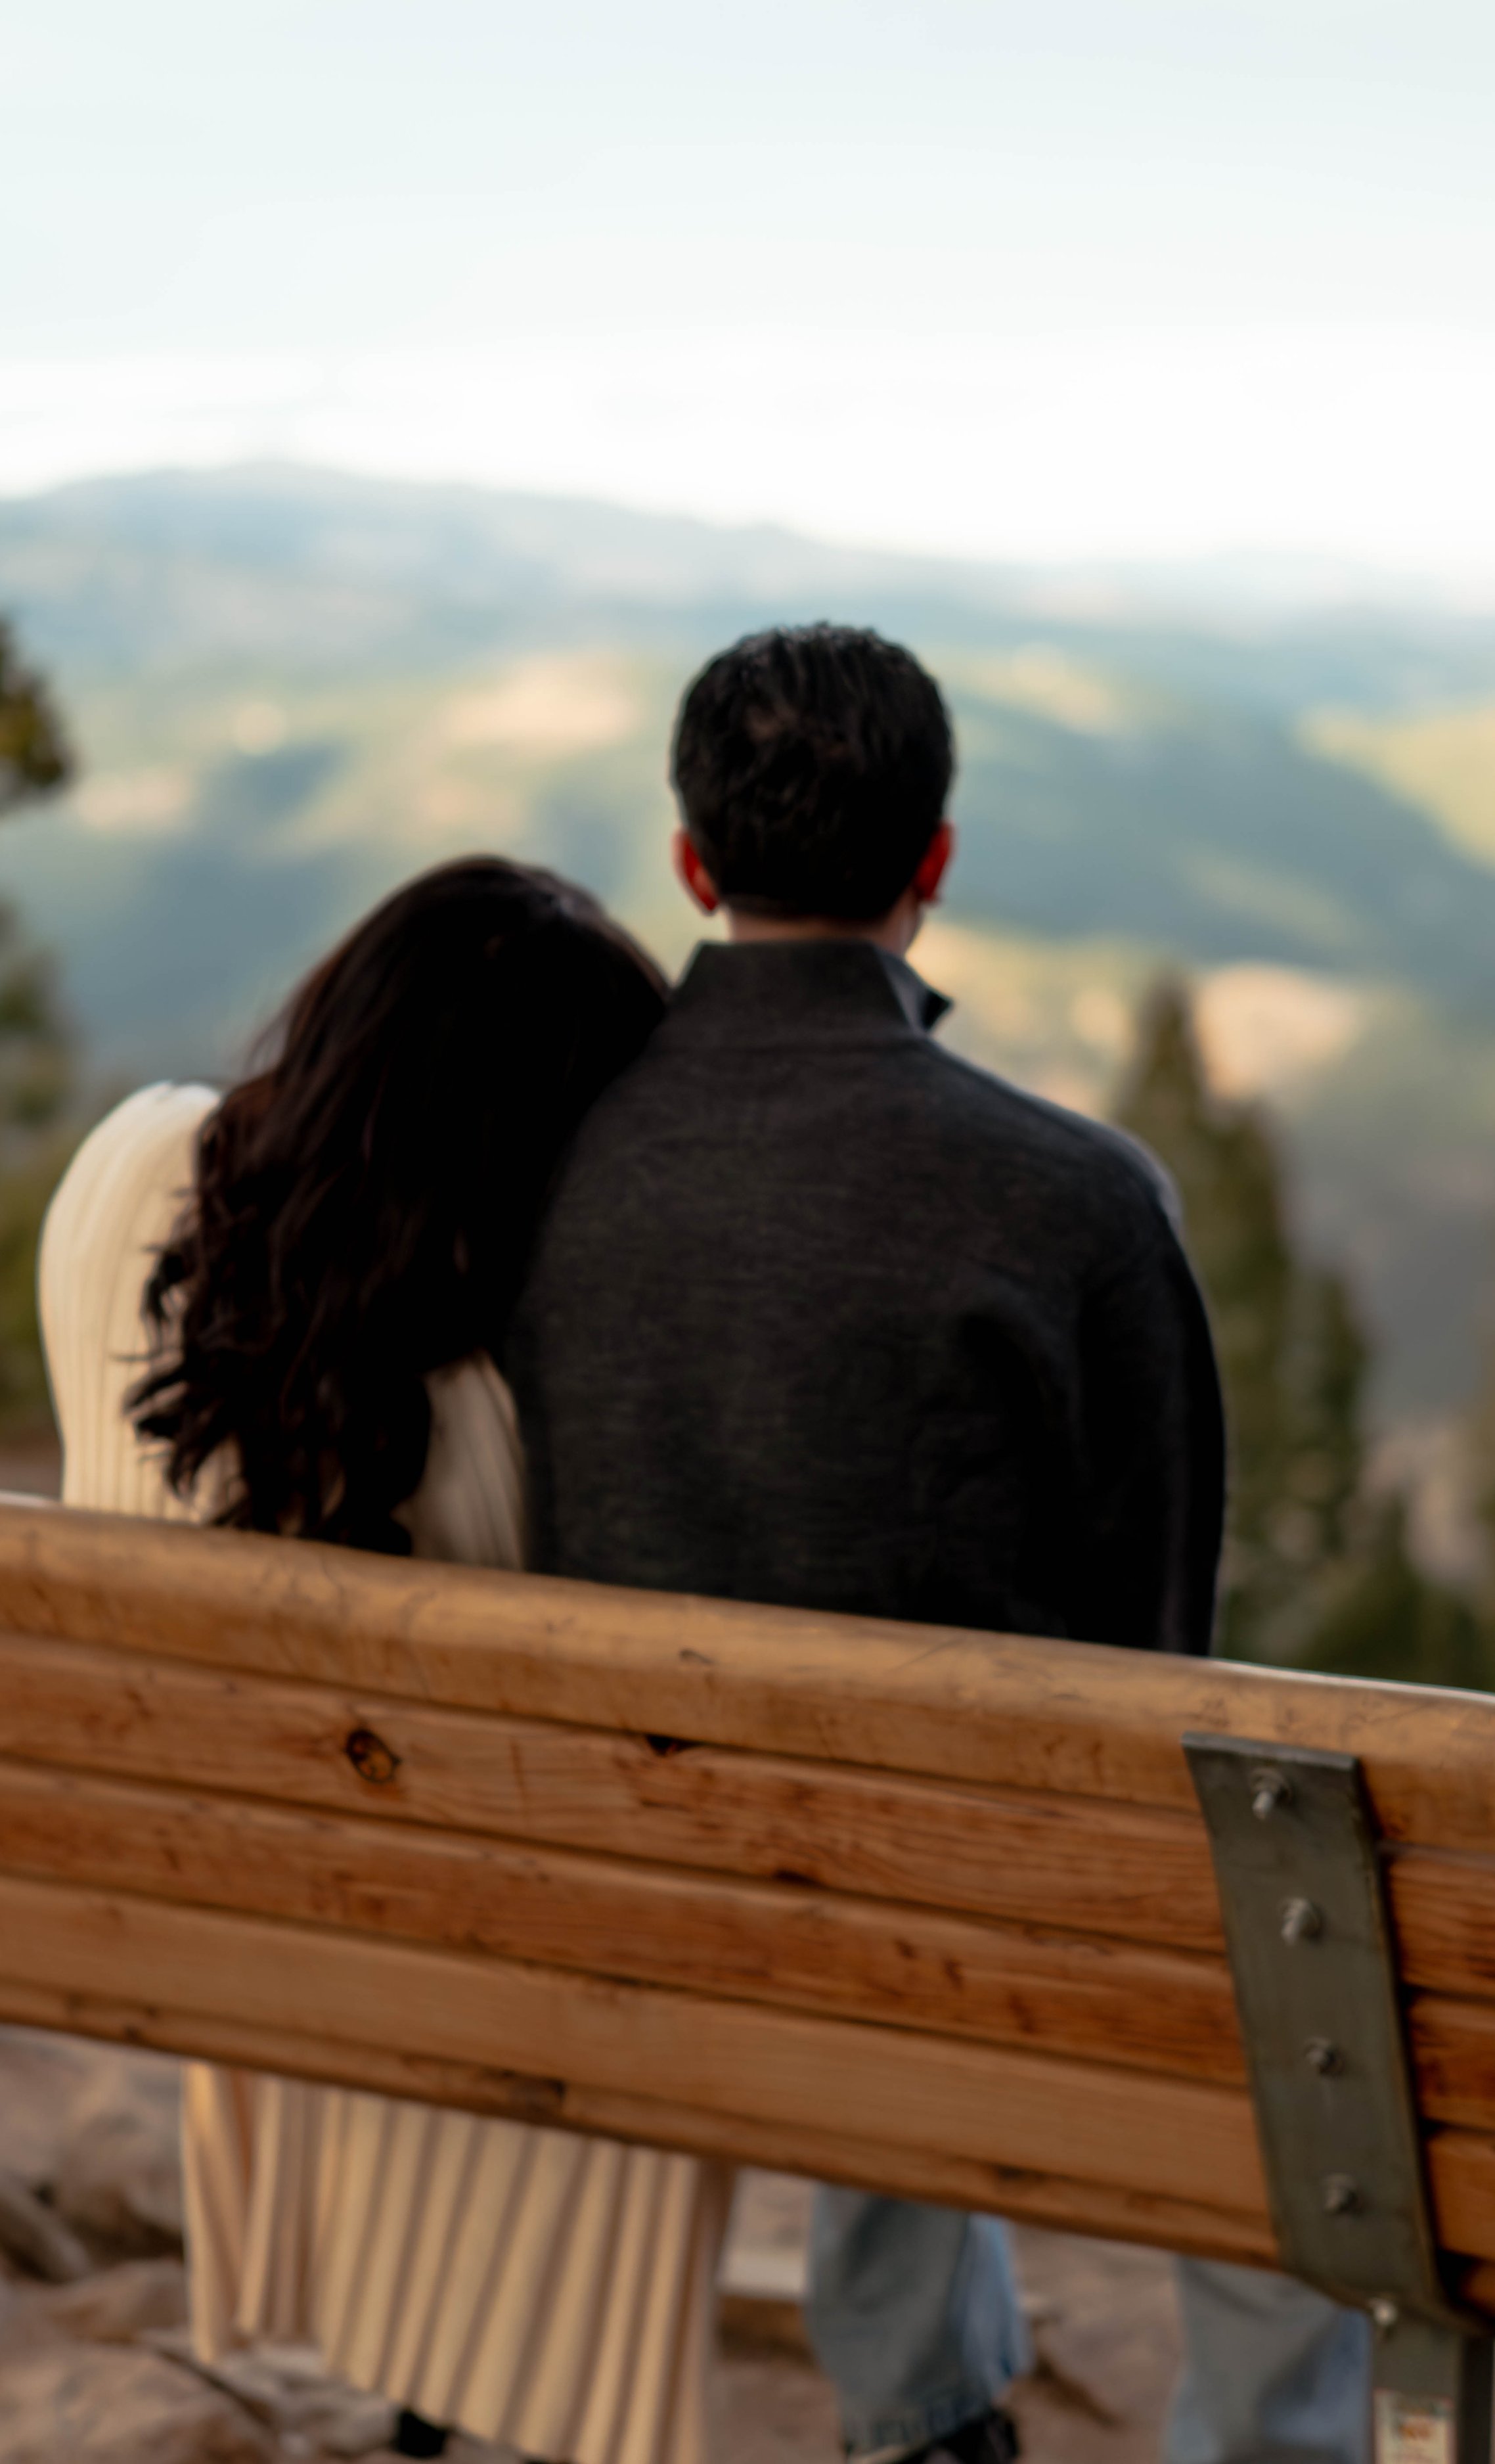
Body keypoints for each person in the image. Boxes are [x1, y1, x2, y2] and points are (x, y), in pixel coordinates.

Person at [508, 626, 1369, 2464]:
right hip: (957, 1905)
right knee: (1309, 1981)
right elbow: (1158, 1642)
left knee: (860, 1800)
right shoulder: (1070, 1195)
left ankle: (920, 2412)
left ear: (690, 866)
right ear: (936, 861)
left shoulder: (556, 1157)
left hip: (634, 1880)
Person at [38, 857, 735, 2464]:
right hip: (443, 1954)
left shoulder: (127, 1171)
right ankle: (512, 2405)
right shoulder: (502, 1422)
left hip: (165, 1875)